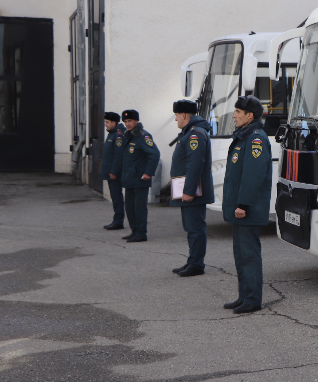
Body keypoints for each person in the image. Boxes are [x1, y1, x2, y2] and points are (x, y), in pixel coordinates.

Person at [222, 95, 271, 315]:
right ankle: (244, 296)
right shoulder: (244, 136)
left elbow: (253, 175)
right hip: (240, 209)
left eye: (238, 112)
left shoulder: (255, 138)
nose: (234, 116)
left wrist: (243, 204)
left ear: (249, 115)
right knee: (241, 255)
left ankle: (252, 299)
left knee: (249, 255)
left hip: (247, 209)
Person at [170, 99, 214, 277]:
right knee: (190, 227)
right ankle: (192, 261)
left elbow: (195, 165)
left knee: (195, 228)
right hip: (189, 189)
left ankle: (197, 264)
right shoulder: (190, 132)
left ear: (183, 115)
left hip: (194, 191)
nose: (175, 119)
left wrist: (188, 191)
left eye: (176, 115)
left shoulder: (195, 134)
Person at [112, 109, 160, 243]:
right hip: (129, 178)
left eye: (130, 121)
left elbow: (154, 154)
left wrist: (148, 173)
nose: (127, 124)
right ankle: (134, 231)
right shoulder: (129, 135)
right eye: (125, 121)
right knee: (129, 207)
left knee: (139, 208)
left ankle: (141, 233)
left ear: (136, 121)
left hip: (140, 179)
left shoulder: (143, 136)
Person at [100, 111, 126, 230]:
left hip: (114, 173)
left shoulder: (118, 135)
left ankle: (118, 221)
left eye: (107, 122)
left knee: (117, 197)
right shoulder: (112, 133)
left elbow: (119, 155)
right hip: (110, 171)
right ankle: (117, 219)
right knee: (114, 197)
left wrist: (114, 171)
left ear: (114, 123)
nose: (105, 124)